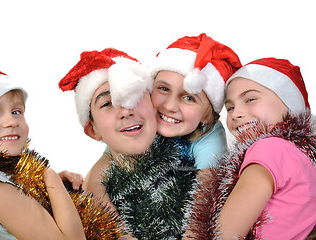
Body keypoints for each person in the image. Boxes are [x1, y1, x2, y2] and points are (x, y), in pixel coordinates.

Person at [59, 48, 196, 239]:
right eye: (108, 103)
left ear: (153, 105)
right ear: (93, 130)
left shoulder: (194, 146)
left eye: (135, 95)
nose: (126, 111)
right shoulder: (97, 189)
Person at [188, 58, 316, 239]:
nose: (236, 114)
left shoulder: (270, 148)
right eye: (230, 107)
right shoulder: (301, 157)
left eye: (250, 99)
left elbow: (223, 235)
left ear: (289, 103)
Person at [0, 65, 86, 239]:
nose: (11, 121)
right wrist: (50, 177)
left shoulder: (1, 178)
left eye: (17, 111)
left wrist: (51, 189)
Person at [150, 33, 242, 169]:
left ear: (207, 117)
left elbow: (206, 186)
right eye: (163, 88)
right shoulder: (136, 114)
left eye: (189, 98)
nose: (170, 106)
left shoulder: (211, 137)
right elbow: (108, 165)